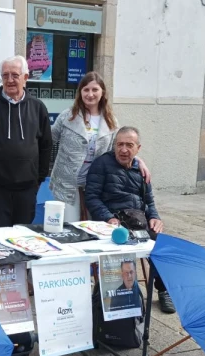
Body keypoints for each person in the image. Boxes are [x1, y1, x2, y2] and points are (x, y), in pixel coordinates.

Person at [84, 126, 175, 313]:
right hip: (113, 222)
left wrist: (155, 217)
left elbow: (149, 201)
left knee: (161, 245)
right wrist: (108, 218)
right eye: (120, 144)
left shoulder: (141, 170)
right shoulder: (102, 164)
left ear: (138, 148)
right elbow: (91, 197)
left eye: (129, 145)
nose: (123, 150)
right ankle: (116, 296)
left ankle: (164, 290)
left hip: (138, 221)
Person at [50, 72, 150, 222]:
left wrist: (138, 160)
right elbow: (48, 140)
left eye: (95, 89)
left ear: (102, 92)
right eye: (86, 90)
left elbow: (117, 149)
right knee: (69, 226)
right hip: (67, 185)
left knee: (92, 228)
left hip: (95, 186)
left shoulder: (111, 121)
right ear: (80, 92)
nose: (90, 94)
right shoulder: (67, 116)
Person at [0, 55, 52, 228]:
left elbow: (46, 145)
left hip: (27, 188)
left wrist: (39, 178)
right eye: (5, 75)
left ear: (25, 77)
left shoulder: (38, 107)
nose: (9, 80)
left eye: (15, 75)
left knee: (22, 235)